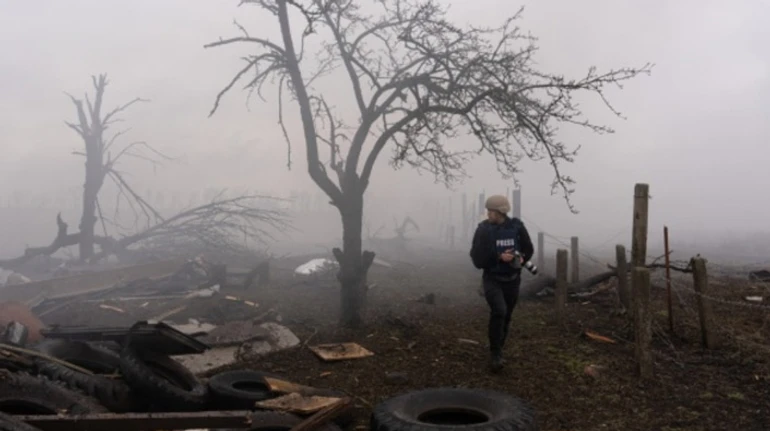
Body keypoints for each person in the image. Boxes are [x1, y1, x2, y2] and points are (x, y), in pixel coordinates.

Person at [469, 194, 534, 372]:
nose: (488, 214)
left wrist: (520, 258)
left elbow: (528, 249)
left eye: (491, 211)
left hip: (512, 279)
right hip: (492, 279)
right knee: (499, 311)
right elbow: (476, 259)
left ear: (501, 212)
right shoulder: (483, 230)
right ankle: (495, 353)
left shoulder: (517, 227)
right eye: (488, 211)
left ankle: (499, 346)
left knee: (506, 316)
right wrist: (498, 257)